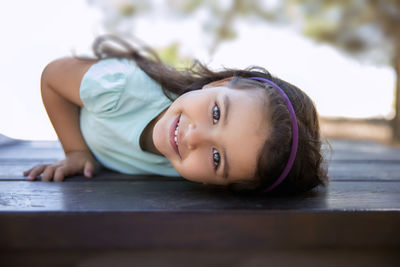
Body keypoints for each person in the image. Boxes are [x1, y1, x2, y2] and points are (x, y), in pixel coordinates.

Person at [23, 35, 328, 195]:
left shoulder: (190, 170)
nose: (194, 137)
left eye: (217, 158)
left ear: (216, 185)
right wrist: (76, 151)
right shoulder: (120, 87)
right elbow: (53, 77)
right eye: (217, 113)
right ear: (219, 83)